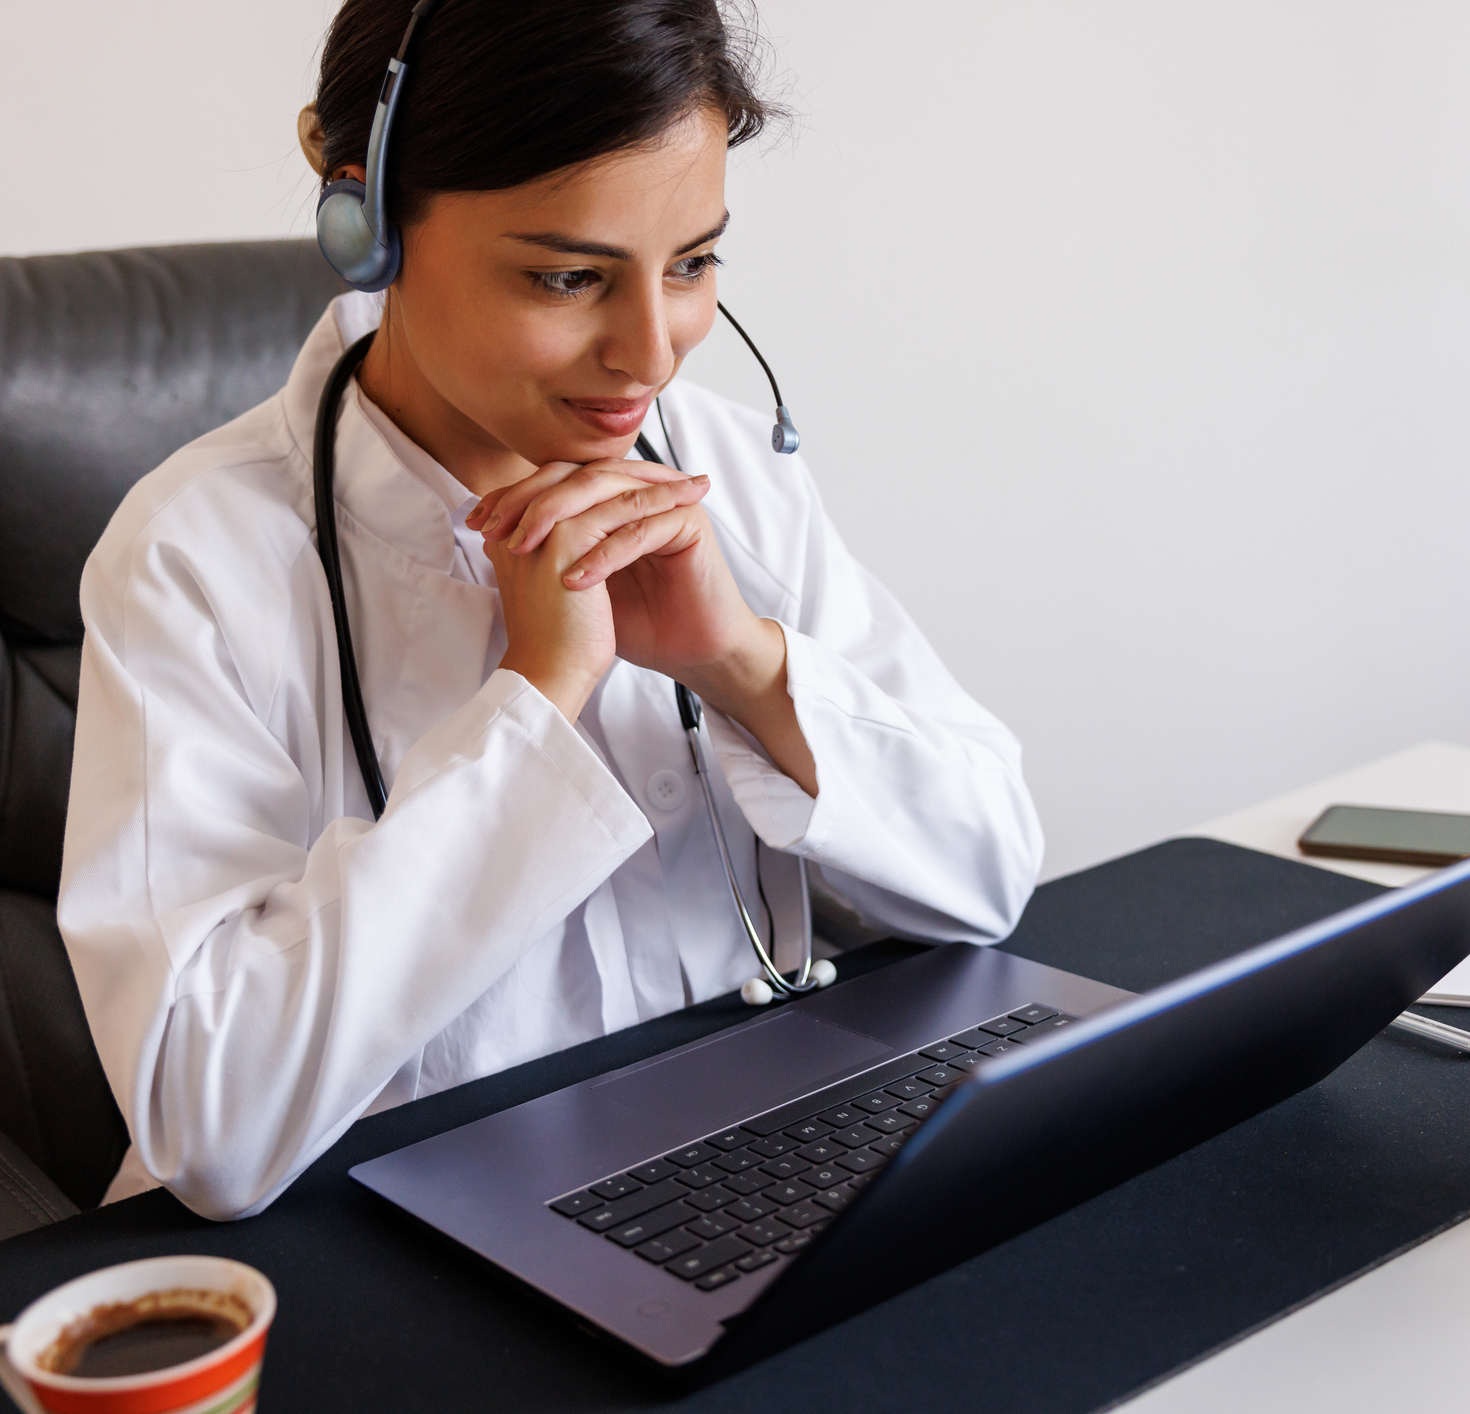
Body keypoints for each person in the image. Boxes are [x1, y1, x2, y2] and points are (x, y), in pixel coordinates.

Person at [59, 0, 1042, 1222]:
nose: (650, 354)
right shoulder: (196, 560)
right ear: (361, 218)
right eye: (569, 276)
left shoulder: (725, 469)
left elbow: (988, 874)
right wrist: (533, 704)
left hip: (738, 1205)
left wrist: (739, 663)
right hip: (379, 1264)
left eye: (690, 264)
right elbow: (207, 1122)